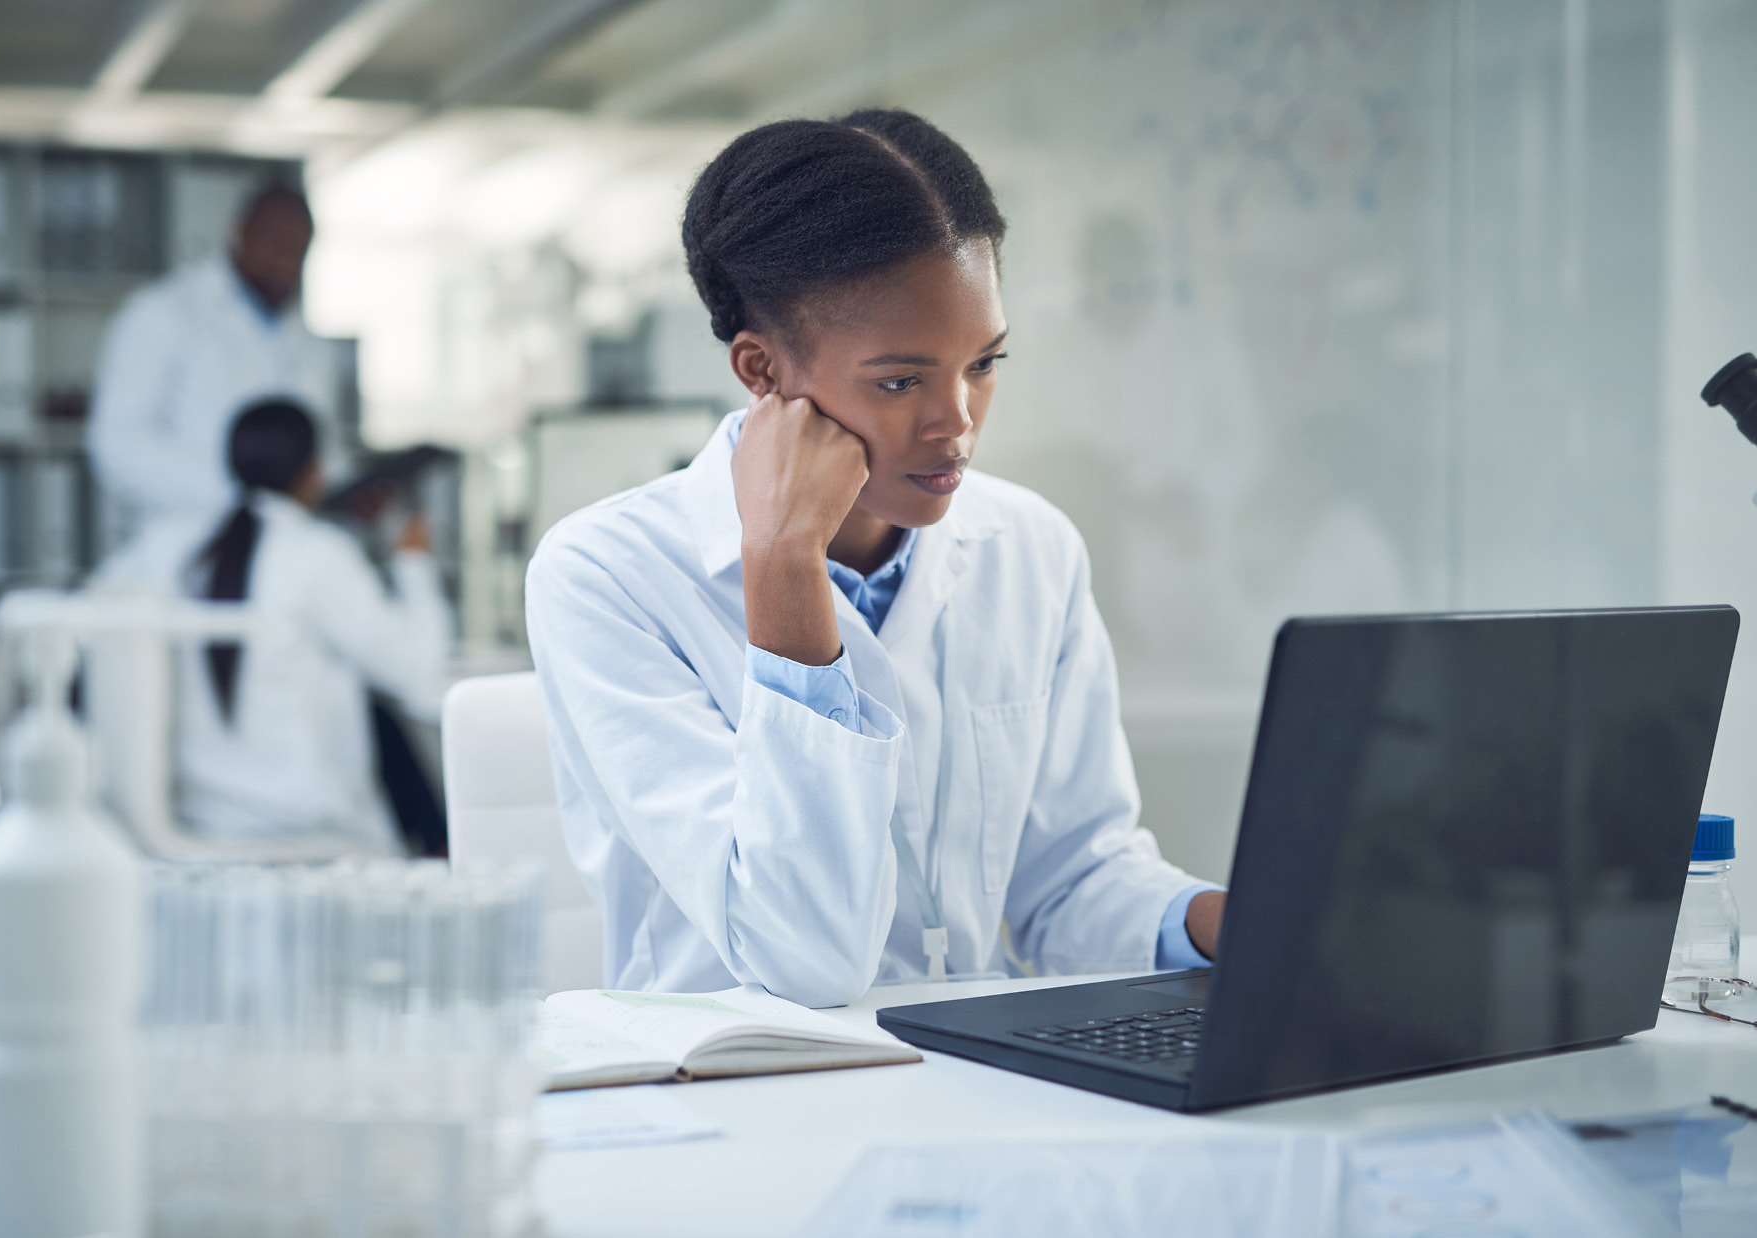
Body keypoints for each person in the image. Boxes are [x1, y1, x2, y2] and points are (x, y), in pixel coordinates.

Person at [526, 110, 1228, 1008]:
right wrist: (783, 563)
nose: (957, 421)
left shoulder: (1032, 550)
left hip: (977, 1085)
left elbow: (1067, 884)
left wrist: (1222, 919)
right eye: (902, 381)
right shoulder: (606, 576)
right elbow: (801, 959)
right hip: (734, 1102)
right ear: (761, 370)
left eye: (984, 363)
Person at [93, 399, 450, 849]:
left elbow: (90, 611)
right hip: (311, 840)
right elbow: (418, 673)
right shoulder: (319, 555)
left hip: (195, 831)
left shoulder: (165, 546)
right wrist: (413, 564)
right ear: (315, 471)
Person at [88, 185, 341, 532]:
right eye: (277, 244)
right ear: (239, 233)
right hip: (190, 541)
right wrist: (238, 490)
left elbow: (319, 447)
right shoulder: (162, 313)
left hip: (285, 549)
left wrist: (343, 488)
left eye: (299, 250)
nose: (286, 261)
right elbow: (117, 445)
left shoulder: (309, 341)